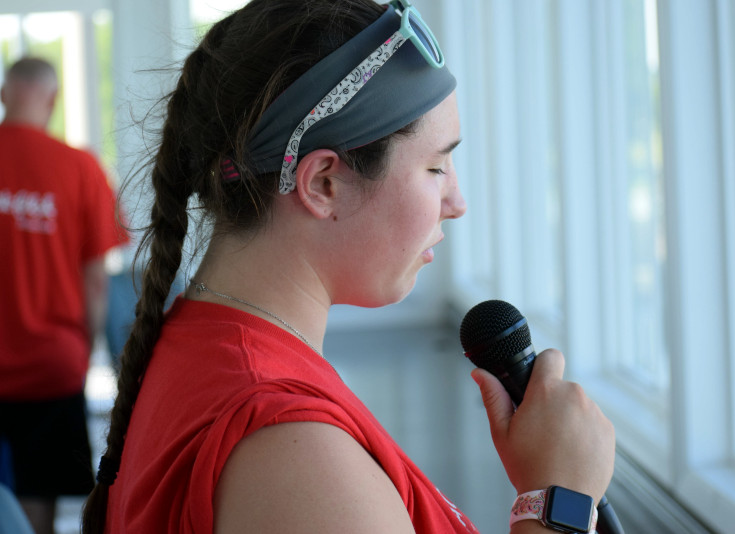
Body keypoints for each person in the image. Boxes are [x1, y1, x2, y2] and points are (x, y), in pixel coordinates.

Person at [81, 1, 616, 533]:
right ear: (323, 184)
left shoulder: (199, 342)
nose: (457, 202)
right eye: (436, 167)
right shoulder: (293, 458)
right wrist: (557, 498)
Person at [0, 57, 128, 534]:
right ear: (51, 100)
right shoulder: (80, 168)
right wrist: (83, 349)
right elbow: (97, 280)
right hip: (51, 365)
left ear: (4, 95)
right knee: (39, 502)